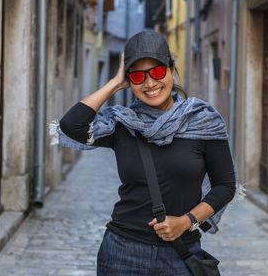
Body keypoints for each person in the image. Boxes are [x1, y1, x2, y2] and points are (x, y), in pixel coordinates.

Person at [51, 30, 243, 276]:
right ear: (129, 81)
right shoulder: (123, 125)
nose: (150, 83)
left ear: (172, 69)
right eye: (138, 76)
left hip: (181, 254)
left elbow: (225, 185)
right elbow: (72, 125)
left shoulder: (202, 121)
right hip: (121, 253)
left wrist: (186, 221)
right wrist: (114, 83)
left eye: (157, 72)